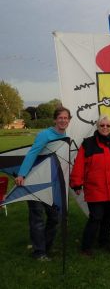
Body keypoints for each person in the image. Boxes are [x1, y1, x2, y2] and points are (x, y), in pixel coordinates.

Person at [14, 106, 71, 261]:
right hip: (34, 181)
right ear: (55, 119)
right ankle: (39, 252)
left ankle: (44, 246)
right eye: (60, 117)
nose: (63, 120)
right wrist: (22, 174)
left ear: (69, 120)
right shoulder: (44, 134)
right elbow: (32, 153)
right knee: (37, 218)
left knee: (55, 217)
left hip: (51, 183)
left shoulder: (65, 136)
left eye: (66, 118)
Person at [70, 115, 110, 256]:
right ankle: (86, 247)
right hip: (95, 189)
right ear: (97, 127)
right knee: (96, 217)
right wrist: (76, 183)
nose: (105, 128)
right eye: (102, 125)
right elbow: (79, 164)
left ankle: (103, 242)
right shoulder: (88, 144)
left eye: (108, 126)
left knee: (108, 217)